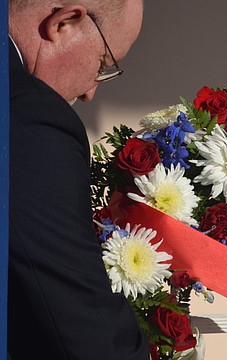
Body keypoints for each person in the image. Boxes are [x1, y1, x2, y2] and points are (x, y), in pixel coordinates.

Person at [8, 1, 149, 359]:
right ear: (64, 22)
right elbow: (82, 329)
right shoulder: (29, 116)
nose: (90, 93)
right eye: (103, 64)